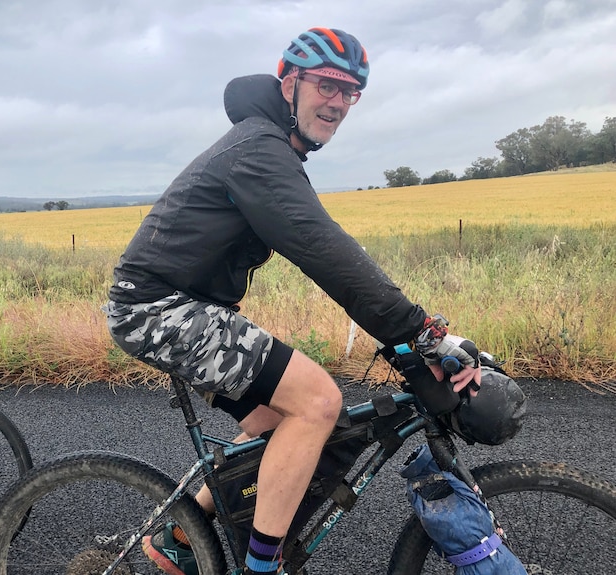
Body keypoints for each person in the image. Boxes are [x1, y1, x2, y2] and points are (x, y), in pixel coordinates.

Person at [103, 27, 482, 575]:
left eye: (350, 92)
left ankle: (182, 536)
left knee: (279, 422)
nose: (337, 101)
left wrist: (404, 335)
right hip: (156, 309)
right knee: (319, 402)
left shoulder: (269, 148)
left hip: (179, 308)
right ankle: (263, 568)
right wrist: (421, 331)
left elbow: (327, 252)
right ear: (290, 84)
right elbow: (325, 252)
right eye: (326, 84)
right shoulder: (257, 149)